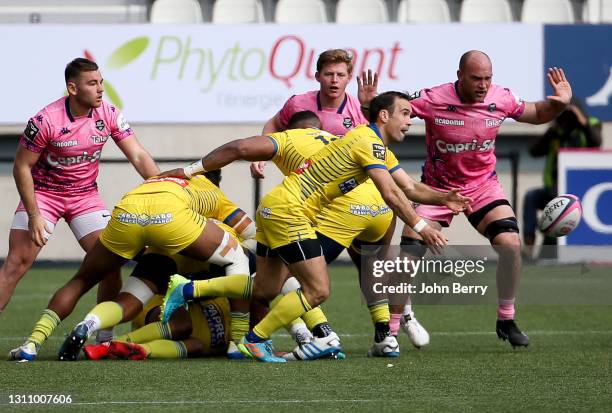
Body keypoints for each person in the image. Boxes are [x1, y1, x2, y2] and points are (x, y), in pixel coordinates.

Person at [159, 91, 471, 362]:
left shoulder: (379, 149)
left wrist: (445, 198)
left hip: (275, 207)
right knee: (318, 289)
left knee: (267, 288)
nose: (409, 121)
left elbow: (410, 189)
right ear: (384, 115)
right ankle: (255, 340)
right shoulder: (366, 139)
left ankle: (186, 289)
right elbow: (390, 193)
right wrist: (421, 225)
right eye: (405, 114)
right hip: (291, 212)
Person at [377, 51, 573, 348]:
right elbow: (394, 109)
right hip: (437, 189)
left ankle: (506, 320)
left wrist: (561, 104)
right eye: (476, 78)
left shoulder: (502, 98)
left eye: (487, 78)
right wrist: (370, 102)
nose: (483, 85)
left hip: (482, 188)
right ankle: (389, 334)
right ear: (460, 75)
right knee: (407, 259)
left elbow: (538, 114)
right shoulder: (433, 98)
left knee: (510, 244)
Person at [8, 172, 254, 362]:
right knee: (239, 259)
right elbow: (251, 231)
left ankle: (49, 338)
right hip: (173, 227)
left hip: (129, 212)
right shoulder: (212, 191)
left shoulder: (166, 178)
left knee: (85, 281)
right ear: (216, 180)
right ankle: (238, 342)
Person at [0, 58, 160, 332]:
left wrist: (162, 187)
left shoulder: (109, 114)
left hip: (84, 197)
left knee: (109, 262)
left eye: (101, 82)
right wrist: (35, 215)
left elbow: (138, 154)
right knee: (15, 264)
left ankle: (104, 337)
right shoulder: (45, 120)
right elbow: (21, 167)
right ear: (73, 88)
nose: (100, 89)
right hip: (44, 196)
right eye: (92, 83)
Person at [522, 98, 601, 259]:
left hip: (579, 189)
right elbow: (534, 151)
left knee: (557, 214)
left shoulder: (590, 124)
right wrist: (552, 131)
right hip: (553, 189)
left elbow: (596, 142)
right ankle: (528, 246)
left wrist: (582, 121)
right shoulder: (557, 131)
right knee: (531, 197)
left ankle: (549, 248)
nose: (566, 118)